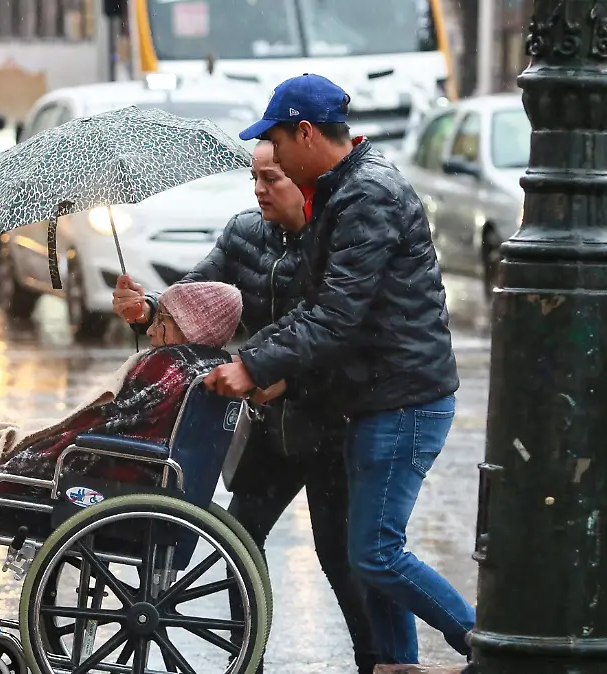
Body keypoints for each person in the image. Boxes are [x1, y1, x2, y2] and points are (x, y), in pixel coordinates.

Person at [203, 73, 475, 665]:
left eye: (277, 142)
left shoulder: (367, 194)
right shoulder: (338, 190)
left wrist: (253, 365)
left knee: (375, 552)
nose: (272, 157)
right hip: (371, 397)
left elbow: (336, 314)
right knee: (365, 555)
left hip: (403, 399)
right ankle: (394, 665)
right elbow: (315, 310)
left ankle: (484, 643)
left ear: (305, 132)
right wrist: (265, 366)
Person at [113, 141, 378, 673]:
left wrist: (284, 377)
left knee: (339, 555)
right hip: (269, 425)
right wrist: (147, 310)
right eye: (254, 178)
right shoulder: (244, 234)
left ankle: (377, 661)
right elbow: (193, 299)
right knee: (240, 543)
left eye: (271, 178)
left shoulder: (336, 237)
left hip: (332, 423)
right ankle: (247, 660)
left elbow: (348, 331)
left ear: (303, 177)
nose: (259, 190)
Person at [0, 281, 244, 656]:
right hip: (136, 479)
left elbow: (106, 428)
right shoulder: (208, 365)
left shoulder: (168, 365)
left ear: (188, 327)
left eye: (163, 322)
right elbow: (119, 420)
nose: (153, 330)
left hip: (104, 483)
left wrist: (36, 453)